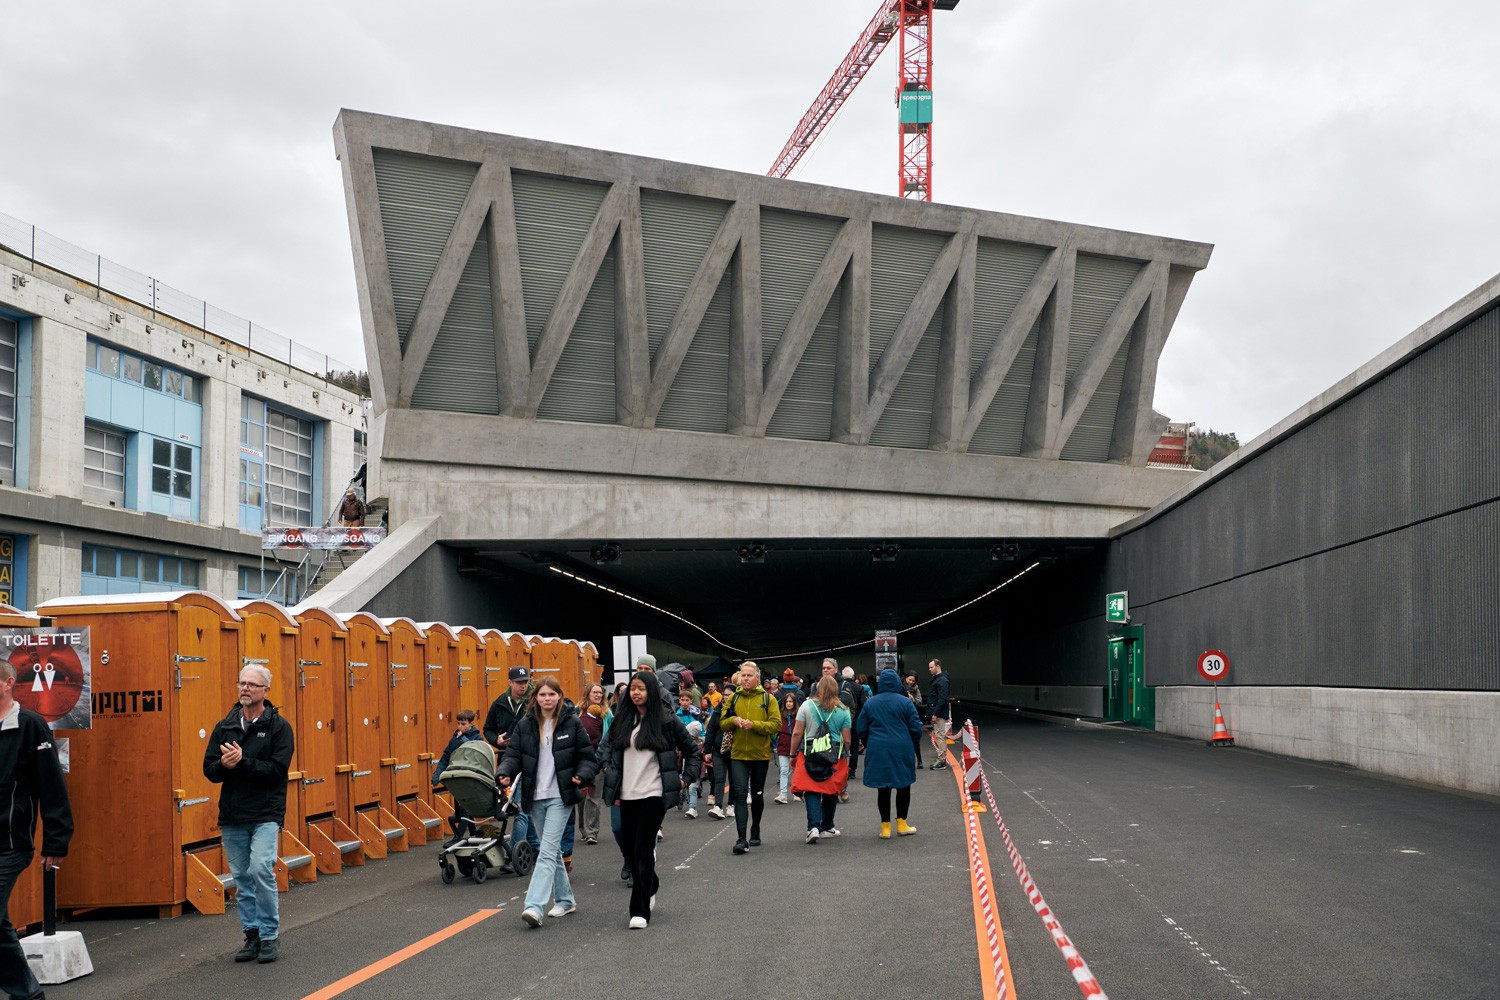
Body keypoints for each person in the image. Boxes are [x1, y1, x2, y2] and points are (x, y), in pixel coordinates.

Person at [204, 665, 294, 964]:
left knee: (260, 869)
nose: (245, 688)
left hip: (266, 812)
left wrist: (242, 763)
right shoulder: (225, 726)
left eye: (252, 685)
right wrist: (225, 766)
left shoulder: (279, 727)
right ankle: (251, 935)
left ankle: (269, 936)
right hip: (233, 814)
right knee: (242, 877)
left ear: (265, 691)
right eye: (242, 682)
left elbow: (277, 772)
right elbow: (210, 770)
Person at [599, 671, 701, 929]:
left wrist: (685, 779)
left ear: (651, 692)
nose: (635, 693)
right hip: (627, 793)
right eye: (632, 688)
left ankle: (639, 911)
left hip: (653, 793)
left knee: (643, 849)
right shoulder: (622, 719)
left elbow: (692, 749)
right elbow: (607, 747)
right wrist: (605, 767)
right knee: (631, 851)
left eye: (641, 689)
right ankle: (651, 883)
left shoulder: (666, 720)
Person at [497, 678, 596, 927]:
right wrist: (505, 771)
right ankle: (565, 899)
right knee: (552, 851)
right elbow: (513, 755)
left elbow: (587, 757)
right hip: (535, 796)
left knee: (546, 851)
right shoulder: (525, 725)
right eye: (542, 694)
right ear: (536, 698)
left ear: (560, 696)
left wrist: (581, 776)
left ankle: (534, 906)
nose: (547, 699)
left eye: (552, 694)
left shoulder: (572, 723)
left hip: (561, 796)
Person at [0, 658, 72, 997]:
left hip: (10, 844)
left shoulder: (30, 726)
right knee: (0, 924)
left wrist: (56, 843)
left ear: (7, 683)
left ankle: (26, 993)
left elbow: (52, 788)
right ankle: (28, 993)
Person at [718, 662, 781, 855]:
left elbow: (775, 725)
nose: (745, 679)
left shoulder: (767, 699)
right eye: (742, 675)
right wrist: (733, 721)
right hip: (738, 755)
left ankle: (756, 828)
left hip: (760, 755)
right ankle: (741, 838)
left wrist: (753, 725)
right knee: (739, 793)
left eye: (749, 676)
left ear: (757, 678)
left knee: (757, 796)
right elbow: (722, 723)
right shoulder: (734, 698)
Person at [857, 668, 924, 838]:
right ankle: (902, 824)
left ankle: (885, 827)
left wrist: (869, 743)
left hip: (878, 749)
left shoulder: (870, 703)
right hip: (902, 748)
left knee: (883, 789)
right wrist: (910, 743)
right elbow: (916, 727)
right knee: (903, 786)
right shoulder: (906, 702)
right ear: (896, 683)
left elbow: (861, 728)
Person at [789, 675, 851, 843]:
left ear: (818, 688)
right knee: (831, 789)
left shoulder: (806, 706)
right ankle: (828, 826)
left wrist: (793, 754)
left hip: (810, 753)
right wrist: (846, 754)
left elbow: (796, 733)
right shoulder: (843, 710)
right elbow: (847, 739)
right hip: (835, 755)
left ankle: (813, 828)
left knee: (811, 789)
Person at [432, 709, 485, 843]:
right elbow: (445, 757)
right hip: (458, 777)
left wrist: (461, 738)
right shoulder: (455, 738)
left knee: (465, 807)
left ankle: (458, 837)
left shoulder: (477, 738)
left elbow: (473, 752)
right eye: (458, 723)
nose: (459, 726)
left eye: (463, 724)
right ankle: (473, 833)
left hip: (471, 778)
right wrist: (436, 776)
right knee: (463, 806)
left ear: (471, 724)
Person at [575, 684, 608, 846]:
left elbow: (611, 735)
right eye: (595, 692)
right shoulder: (577, 712)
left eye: (600, 693)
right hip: (580, 761)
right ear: (587, 694)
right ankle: (583, 829)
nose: (598, 695)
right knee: (581, 797)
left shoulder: (606, 714)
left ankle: (591, 832)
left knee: (594, 797)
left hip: (598, 759)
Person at [837, 665, 868, 791]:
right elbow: (863, 705)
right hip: (854, 721)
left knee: (841, 746)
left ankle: (841, 770)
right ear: (853, 677)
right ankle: (852, 770)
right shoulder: (859, 688)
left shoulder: (840, 687)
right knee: (854, 746)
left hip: (841, 721)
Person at [926, 659, 952, 770]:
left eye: (931, 667)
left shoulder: (941, 680)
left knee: (940, 736)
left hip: (939, 713)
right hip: (937, 712)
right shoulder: (939, 679)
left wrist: (935, 713)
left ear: (937, 666)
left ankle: (942, 761)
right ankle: (941, 760)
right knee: (939, 735)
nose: (929, 669)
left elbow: (942, 699)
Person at [773, 691, 797, 804]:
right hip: (783, 744)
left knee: (796, 770)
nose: (788, 703)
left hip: (796, 746)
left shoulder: (798, 715)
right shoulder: (780, 715)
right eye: (787, 701)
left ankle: (796, 792)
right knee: (783, 769)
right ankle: (783, 794)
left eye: (791, 701)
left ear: (794, 703)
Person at [903, 674, 926, 767]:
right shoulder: (902, 688)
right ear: (906, 679)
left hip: (914, 715)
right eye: (910, 680)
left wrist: (913, 699)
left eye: (913, 680)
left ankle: (919, 760)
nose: (911, 682)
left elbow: (920, 701)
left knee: (916, 738)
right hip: (904, 716)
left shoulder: (916, 689)